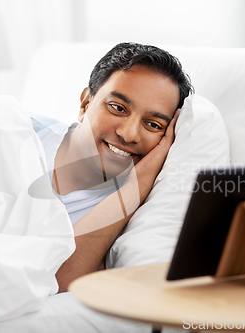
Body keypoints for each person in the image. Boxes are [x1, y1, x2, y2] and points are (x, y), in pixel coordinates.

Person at [30, 42, 194, 292]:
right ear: (85, 103)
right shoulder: (21, 133)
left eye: (153, 125)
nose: (129, 134)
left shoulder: (126, 212)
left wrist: (139, 183)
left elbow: (58, 284)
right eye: (118, 108)